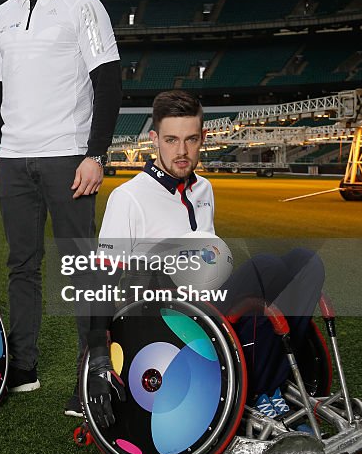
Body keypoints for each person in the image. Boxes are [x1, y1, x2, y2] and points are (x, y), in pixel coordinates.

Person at [87, 89, 325, 427]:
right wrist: (98, 356)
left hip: (208, 307)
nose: (181, 151)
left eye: (190, 139)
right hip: (163, 320)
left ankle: (268, 387)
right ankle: (260, 392)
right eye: (171, 140)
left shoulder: (204, 190)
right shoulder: (129, 198)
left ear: (203, 138)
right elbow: (103, 280)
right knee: (267, 268)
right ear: (154, 139)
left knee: (306, 262)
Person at [0, 0, 122, 408]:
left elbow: (108, 80)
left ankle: (93, 372)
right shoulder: (2, 15)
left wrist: (96, 153)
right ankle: (23, 367)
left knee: (82, 267)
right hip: (14, 158)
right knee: (21, 265)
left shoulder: (83, 5)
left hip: (68, 156)